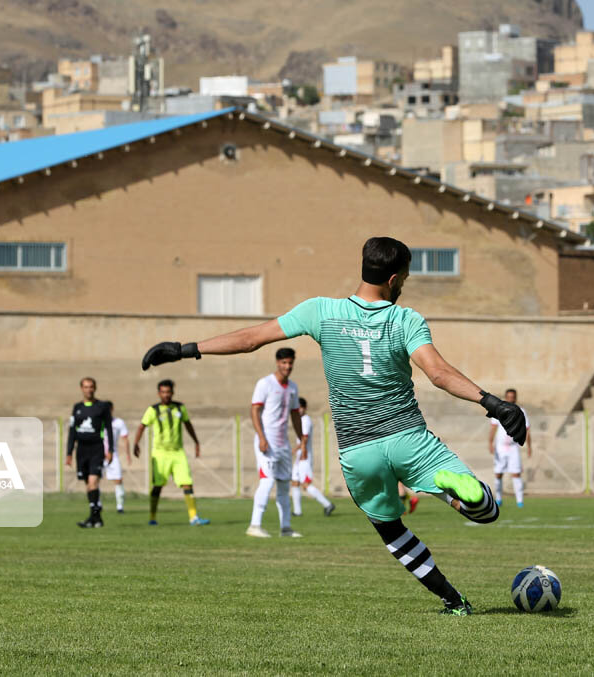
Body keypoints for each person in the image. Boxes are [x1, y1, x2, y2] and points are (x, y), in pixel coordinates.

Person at [141, 236, 526, 616]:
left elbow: (249, 339)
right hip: (409, 438)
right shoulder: (405, 318)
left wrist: (185, 349)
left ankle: (453, 601)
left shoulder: (320, 311)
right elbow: (439, 374)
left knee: (390, 528)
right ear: (394, 279)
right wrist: (493, 404)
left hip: (359, 451)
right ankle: (456, 490)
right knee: (485, 512)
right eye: (405, 279)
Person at [132, 379, 209, 527]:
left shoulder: (180, 408)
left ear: (172, 392)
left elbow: (188, 425)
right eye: (163, 392)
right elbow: (142, 426)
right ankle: (152, 517)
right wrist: (136, 443)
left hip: (178, 452)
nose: (166, 395)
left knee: (187, 483)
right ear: (158, 393)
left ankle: (193, 517)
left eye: (168, 392)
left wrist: (196, 442)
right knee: (158, 485)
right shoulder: (153, 410)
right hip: (160, 453)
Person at [247, 347, 304, 538]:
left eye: (290, 363)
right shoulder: (265, 384)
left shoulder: (293, 387)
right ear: (277, 363)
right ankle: (254, 525)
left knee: (284, 484)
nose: (287, 367)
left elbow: (295, 415)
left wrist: (301, 438)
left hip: (283, 443)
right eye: (284, 363)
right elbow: (254, 411)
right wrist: (261, 437)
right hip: (267, 441)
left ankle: (285, 528)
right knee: (267, 480)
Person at [65, 377, 114, 528]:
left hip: (96, 449)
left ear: (95, 388)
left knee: (93, 482)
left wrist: (110, 449)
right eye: (86, 387)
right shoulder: (77, 407)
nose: (89, 389)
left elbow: (109, 429)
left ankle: (94, 513)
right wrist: (69, 452)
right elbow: (72, 431)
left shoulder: (102, 406)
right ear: (81, 388)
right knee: (88, 484)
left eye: (91, 386)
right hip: (82, 450)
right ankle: (96, 517)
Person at [290, 397, 335, 518]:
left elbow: (305, 438)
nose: (298, 410)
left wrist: (301, 450)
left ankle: (328, 504)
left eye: (300, 407)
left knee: (306, 485)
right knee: (295, 482)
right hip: (300, 455)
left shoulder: (305, 420)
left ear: (304, 408)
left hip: (304, 456)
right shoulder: (299, 420)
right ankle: (297, 511)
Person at [488, 388, 531, 507]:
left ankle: (520, 501)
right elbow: (493, 428)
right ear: (506, 397)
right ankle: (499, 499)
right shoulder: (499, 410)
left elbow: (527, 429)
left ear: (515, 398)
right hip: (500, 448)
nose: (511, 399)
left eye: (513, 397)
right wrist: (490, 442)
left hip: (513, 448)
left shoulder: (521, 411)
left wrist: (529, 447)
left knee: (516, 473)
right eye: (509, 397)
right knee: (498, 473)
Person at [101, 401, 131, 513]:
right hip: (99, 456)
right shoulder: (98, 422)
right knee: (95, 479)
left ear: (112, 409)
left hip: (113, 456)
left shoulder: (118, 422)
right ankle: (97, 505)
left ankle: (120, 506)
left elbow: (125, 438)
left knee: (118, 480)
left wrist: (128, 454)